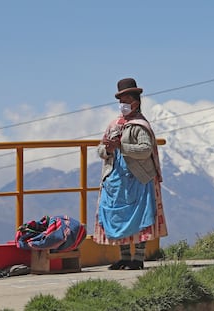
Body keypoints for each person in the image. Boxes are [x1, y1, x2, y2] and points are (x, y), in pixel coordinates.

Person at [94, 78, 167, 270]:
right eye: (121, 101)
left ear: (136, 101)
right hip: (116, 179)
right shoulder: (113, 125)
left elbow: (144, 149)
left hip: (138, 178)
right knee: (119, 215)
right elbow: (101, 150)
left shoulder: (140, 126)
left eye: (126, 100)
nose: (123, 105)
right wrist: (108, 150)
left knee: (139, 215)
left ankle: (138, 258)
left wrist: (122, 146)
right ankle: (125, 257)